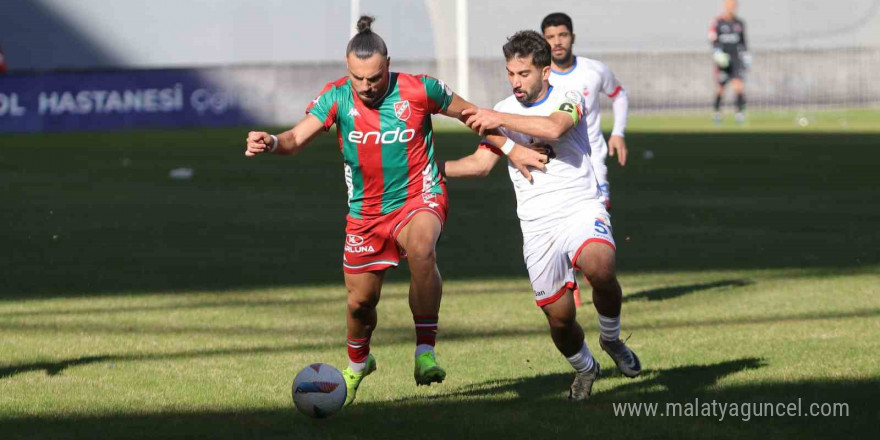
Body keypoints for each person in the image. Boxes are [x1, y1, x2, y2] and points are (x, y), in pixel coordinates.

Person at [244, 16, 546, 406]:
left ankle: (424, 350)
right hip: (365, 215)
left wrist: (512, 148)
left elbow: (475, 115)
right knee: (360, 303)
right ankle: (357, 364)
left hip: (420, 196)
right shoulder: (335, 96)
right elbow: (294, 138)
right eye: (358, 79)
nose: (366, 87)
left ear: (388, 64)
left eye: (373, 78)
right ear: (347, 70)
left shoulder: (421, 89)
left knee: (422, 249)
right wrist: (269, 141)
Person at [444, 30, 641, 401]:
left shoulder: (569, 97)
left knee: (600, 266)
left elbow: (554, 127)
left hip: (580, 206)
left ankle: (612, 339)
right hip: (537, 226)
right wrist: (434, 169)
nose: (516, 82)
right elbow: (480, 164)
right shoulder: (502, 109)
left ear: (545, 72)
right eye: (510, 74)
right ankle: (586, 368)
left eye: (524, 74)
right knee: (560, 319)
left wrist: (497, 117)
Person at [540, 12, 629, 211]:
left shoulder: (594, 70)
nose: (557, 42)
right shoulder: (539, 77)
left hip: (592, 160)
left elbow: (619, 95)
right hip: (553, 163)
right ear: (543, 41)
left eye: (563, 35)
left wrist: (618, 133)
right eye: (550, 37)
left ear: (573, 37)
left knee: (600, 213)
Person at [709, 0, 750, 124]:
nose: (730, 8)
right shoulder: (717, 22)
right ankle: (717, 113)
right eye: (728, 6)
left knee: (738, 87)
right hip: (723, 61)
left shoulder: (739, 23)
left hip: (736, 59)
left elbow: (743, 42)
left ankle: (739, 113)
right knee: (720, 88)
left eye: (733, 6)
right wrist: (717, 53)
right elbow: (712, 39)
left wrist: (746, 55)